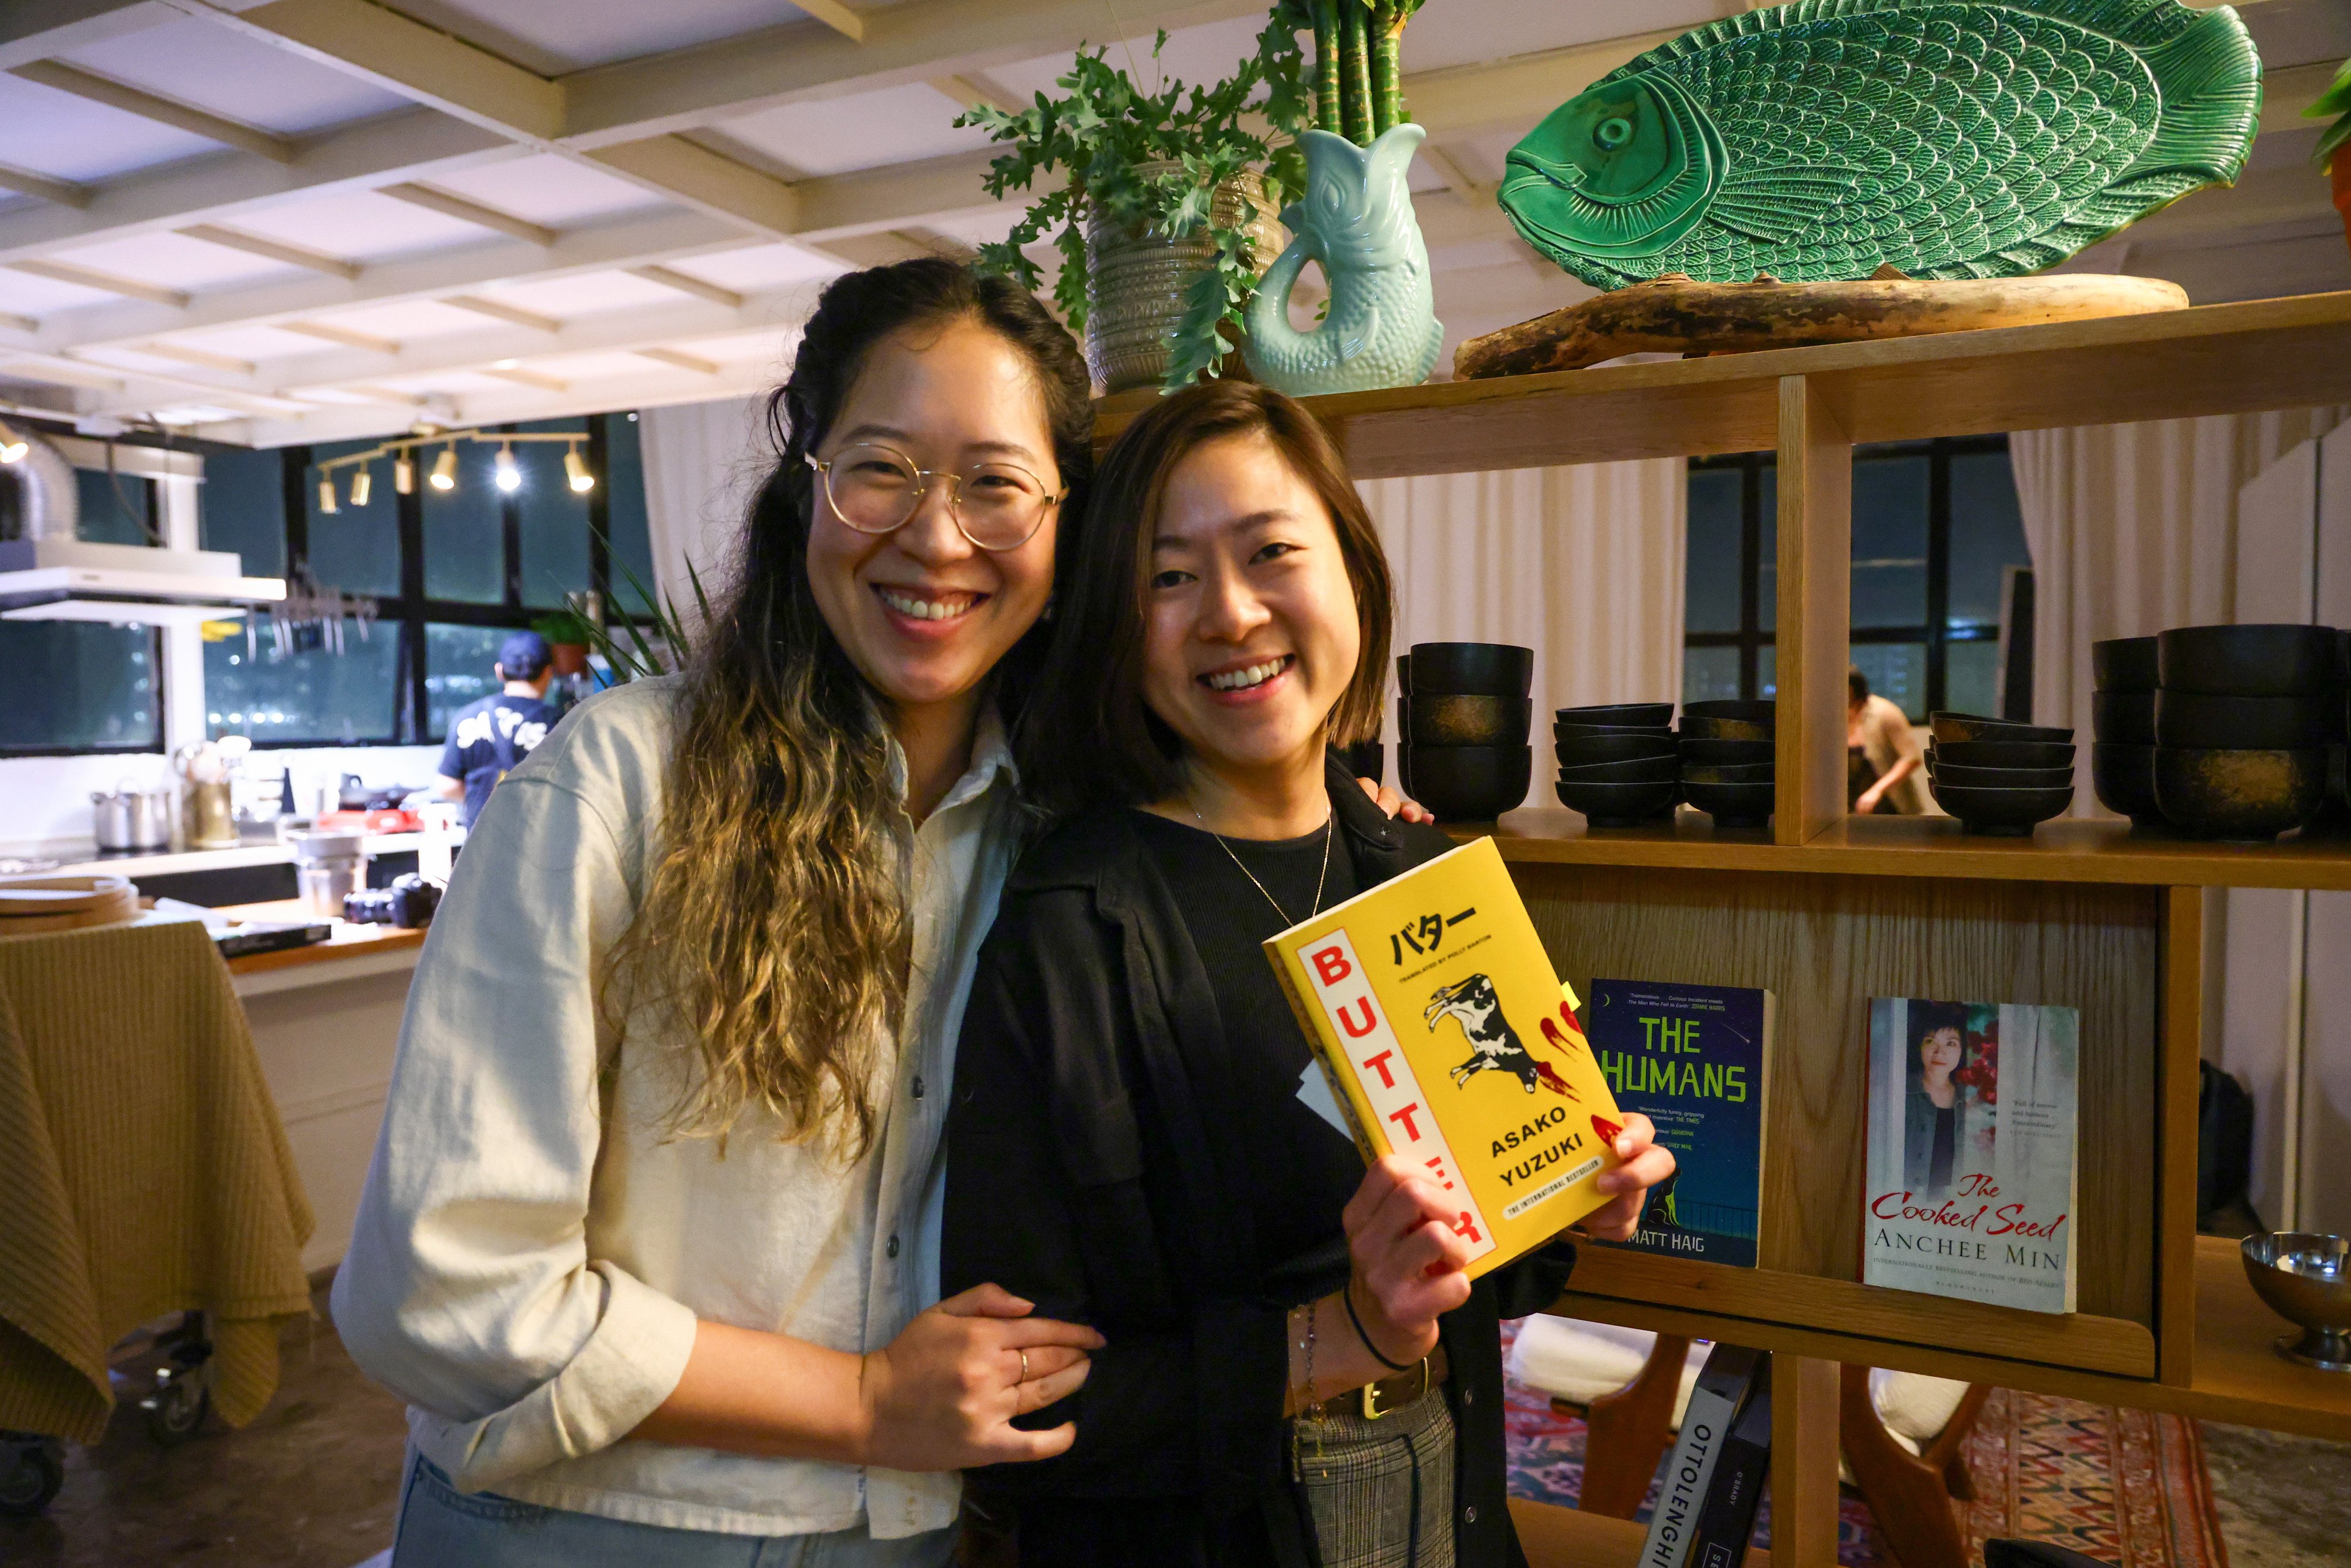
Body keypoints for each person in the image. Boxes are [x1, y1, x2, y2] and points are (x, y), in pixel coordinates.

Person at [335, 261, 1115, 1567]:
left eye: (995, 483)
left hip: (909, 1538)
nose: (936, 536)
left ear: (1060, 522)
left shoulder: (1058, 830)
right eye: (883, 468)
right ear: (803, 478)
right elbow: (438, 1288)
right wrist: (863, 1401)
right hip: (580, 1523)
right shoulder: (620, 780)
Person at [942, 382, 1675, 1568]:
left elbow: (1510, 1270)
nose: (1229, 614)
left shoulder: (1426, 872)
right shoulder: (1071, 925)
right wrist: (1345, 1333)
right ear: (1119, 629)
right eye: (1168, 577)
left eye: (1270, 551)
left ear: (1352, 570)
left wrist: (1570, 1187)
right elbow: (1023, 1407)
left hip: (1452, 1495)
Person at [431, 629, 559, 828]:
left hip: (480, 842)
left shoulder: (468, 717)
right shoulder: (560, 723)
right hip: (538, 843)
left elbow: (447, 786)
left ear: (499, 671)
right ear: (548, 672)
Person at [1902, 1002, 1975, 1201]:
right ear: (1919, 1046)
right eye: (1930, 1041)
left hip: (1950, 1209)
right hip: (1907, 1204)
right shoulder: (1900, 1091)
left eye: (1950, 1043)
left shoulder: (1968, 1099)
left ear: (1962, 1050)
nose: (1939, 1052)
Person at [1848, 665, 1928, 815]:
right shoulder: (1837, 715)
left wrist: (1877, 790)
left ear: (1852, 689)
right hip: (1853, 808)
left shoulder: (1884, 712)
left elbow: (1912, 758)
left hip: (1890, 805)